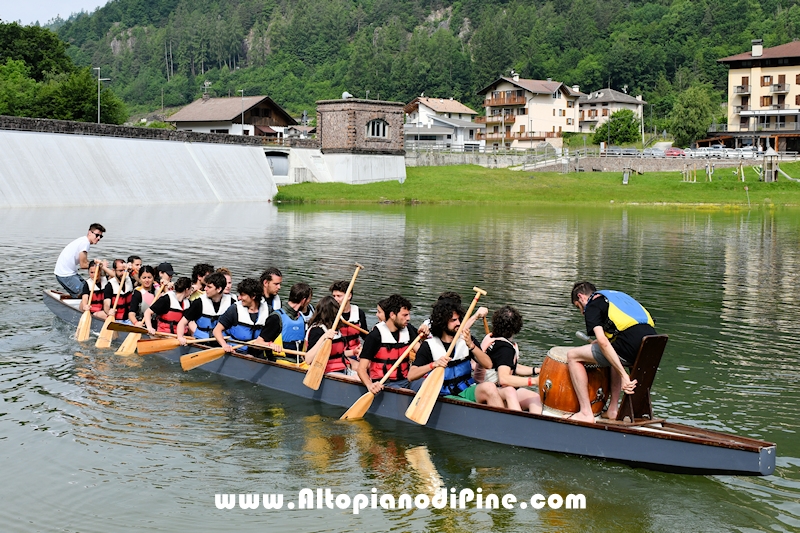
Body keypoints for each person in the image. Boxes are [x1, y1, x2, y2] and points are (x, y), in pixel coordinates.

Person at [567, 281, 657, 423]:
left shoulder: (592, 304)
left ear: (581, 297)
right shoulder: (618, 297)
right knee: (610, 351)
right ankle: (612, 410)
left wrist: (623, 375)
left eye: (578, 307)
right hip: (652, 347)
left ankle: (585, 412)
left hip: (630, 348)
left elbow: (603, 341)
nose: (582, 312)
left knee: (572, 356)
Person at [408, 299, 503, 407]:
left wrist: (472, 346)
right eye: (453, 320)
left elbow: (488, 364)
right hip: (444, 395)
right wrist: (433, 365)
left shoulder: (467, 340)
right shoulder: (429, 345)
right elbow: (411, 375)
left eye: (459, 319)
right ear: (443, 322)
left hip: (466, 389)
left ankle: (502, 422)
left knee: (490, 387)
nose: (458, 323)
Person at [477, 306, 542, 413]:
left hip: (492, 386)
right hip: (492, 389)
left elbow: (510, 366)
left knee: (534, 397)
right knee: (510, 391)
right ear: (517, 327)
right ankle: (518, 424)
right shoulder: (505, 349)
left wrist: (537, 370)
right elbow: (504, 379)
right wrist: (533, 381)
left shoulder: (491, 338)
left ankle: (535, 425)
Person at [357, 294, 419, 392]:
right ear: (392, 315)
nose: (408, 318)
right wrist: (370, 385)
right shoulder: (375, 336)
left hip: (407, 380)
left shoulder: (408, 329)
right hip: (384, 383)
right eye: (405, 315)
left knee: (430, 385)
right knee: (407, 393)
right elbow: (361, 369)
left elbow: (422, 352)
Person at [213, 278, 271, 356]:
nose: (239, 298)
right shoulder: (234, 309)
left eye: (242, 295)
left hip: (258, 355)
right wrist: (225, 345)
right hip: (237, 353)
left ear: (253, 296)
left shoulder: (269, 311)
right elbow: (217, 330)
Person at [303, 295, 352, 375]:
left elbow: (338, 354)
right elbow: (308, 359)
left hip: (343, 369)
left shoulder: (336, 329)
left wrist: (354, 352)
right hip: (326, 372)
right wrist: (324, 337)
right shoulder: (317, 330)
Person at [177, 272, 233, 343]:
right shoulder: (199, 302)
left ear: (219, 289)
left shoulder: (231, 303)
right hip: (202, 342)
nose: (205, 289)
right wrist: (180, 337)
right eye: (206, 286)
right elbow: (182, 323)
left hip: (223, 342)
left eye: (209, 287)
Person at [54, 223, 106, 297]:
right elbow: (83, 265)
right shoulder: (85, 243)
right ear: (90, 232)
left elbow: (86, 263)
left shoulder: (83, 240)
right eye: (97, 235)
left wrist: (95, 264)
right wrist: (100, 265)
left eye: (101, 236)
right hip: (65, 275)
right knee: (85, 293)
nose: (99, 238)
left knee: (87, 289)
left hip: (68, 273)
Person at [263, 282, 314, 354]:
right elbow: (258, 342)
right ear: (303, 301)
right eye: (309, 300)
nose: (309, 303)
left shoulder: (300, 317)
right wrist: (271, 345)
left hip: (299, 362)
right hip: (279, 362)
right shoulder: (276, 318)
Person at [330, 280, 368, 365]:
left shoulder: (359, 313)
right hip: (338, 354)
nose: (335, 299)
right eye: (334, 296)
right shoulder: (330, 314)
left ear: (349, 296)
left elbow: (365, 335)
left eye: (339, 296)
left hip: (356, 352)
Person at [103, 259, 134, 324]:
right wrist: (108, 311)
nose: (123, 273)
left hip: (130, 319)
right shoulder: (109, 285)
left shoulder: (129, 279)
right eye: (120, 271)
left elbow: (140, 279)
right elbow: (106, 303)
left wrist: (132, 269)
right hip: (116, 319)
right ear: (114, 271)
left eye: (124, 270)